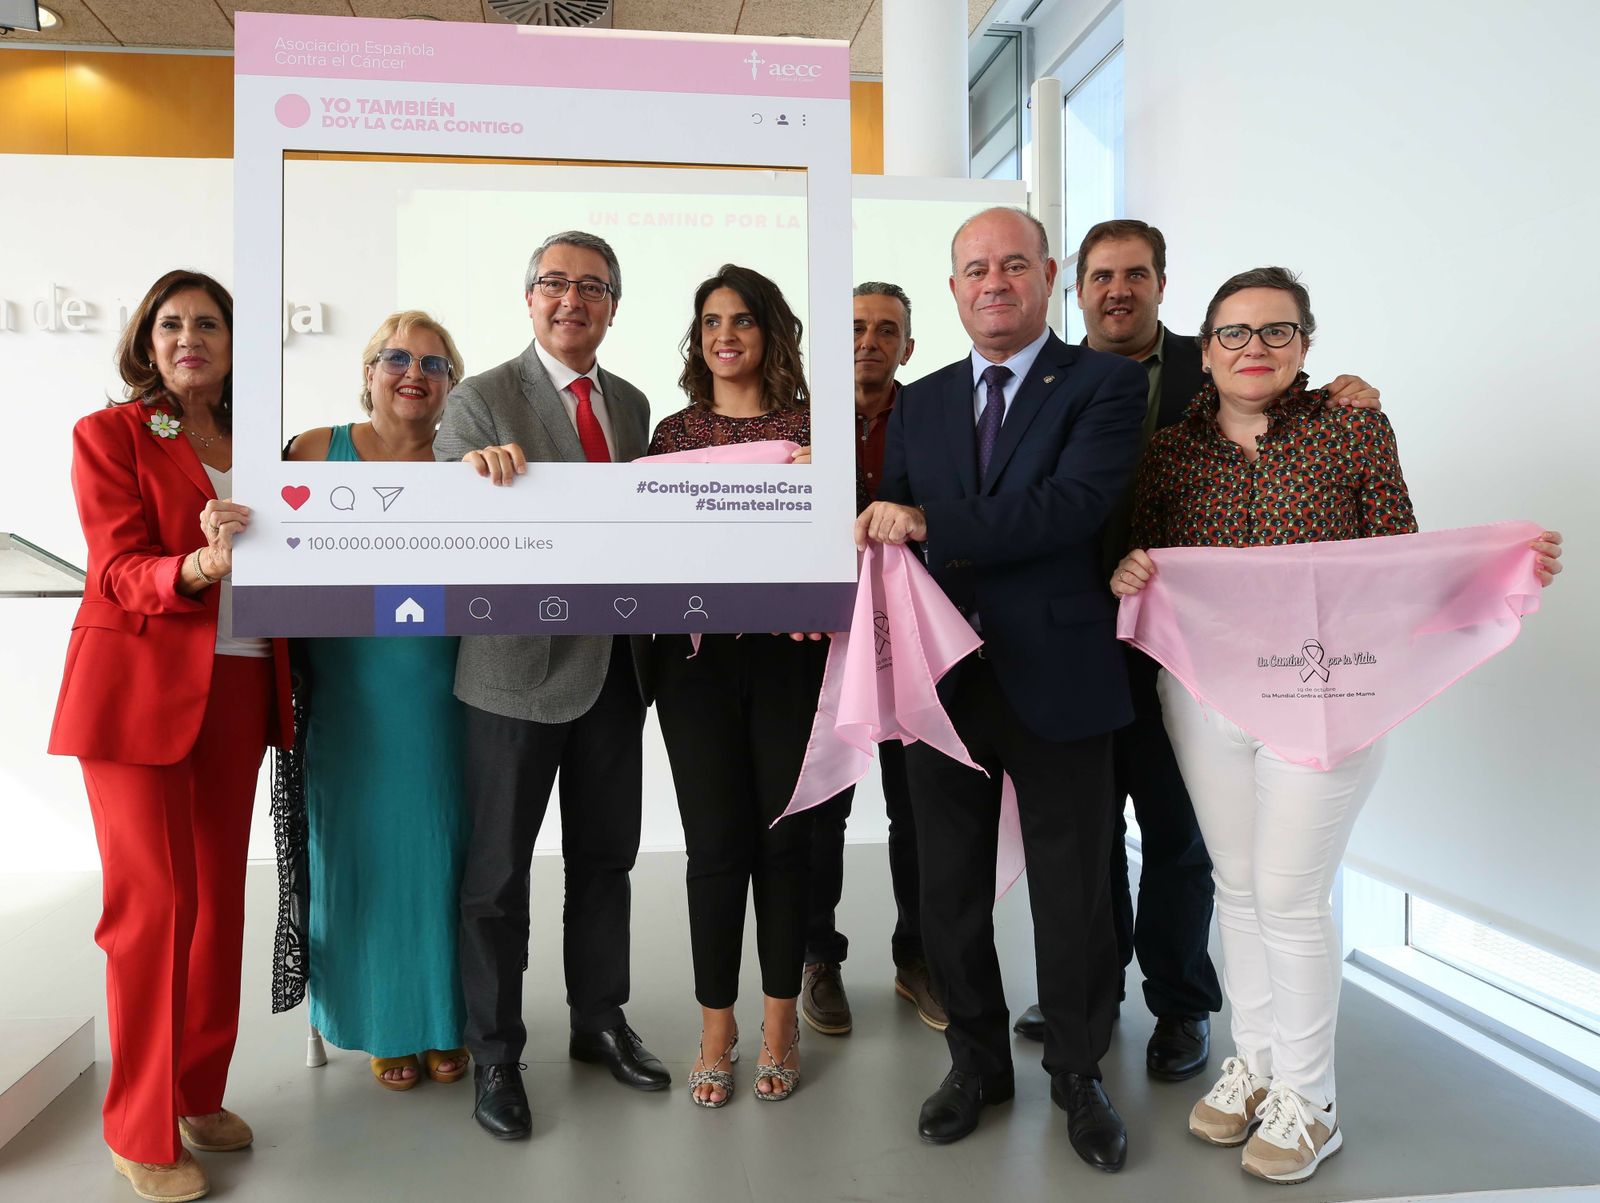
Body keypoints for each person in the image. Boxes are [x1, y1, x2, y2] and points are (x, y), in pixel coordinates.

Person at [1112, 266, 1564, 1184]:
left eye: (1276, 331)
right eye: (1235, 333)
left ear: (1305, 344)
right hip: (1206, 695)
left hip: (1327, 692)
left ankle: (1312, 1102)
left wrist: (1499, 566)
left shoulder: (1352, 429)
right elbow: (1146, 557)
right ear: (1206, 351)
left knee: (1289, 896)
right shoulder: (1169, 454)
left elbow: (1400, 561)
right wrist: (1129, 571)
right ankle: (1258, 1063)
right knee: (1238, 886)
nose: (1255, 348)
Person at [1013, 219, 1383, 1086]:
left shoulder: (1221, 366)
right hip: (1079, 638)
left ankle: (1182, 1001)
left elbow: (1304, 447)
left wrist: (1345, 393)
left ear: (1162, 284)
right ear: (1077, 287)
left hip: (1203, 653)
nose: (1118, 290)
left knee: (1183, 837)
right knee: (1087, 834)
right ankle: (1091, 991)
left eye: (1136, 274)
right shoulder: (1046, 379)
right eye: (1101, 275)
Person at [857, 207, 1145, 1170]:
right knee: (947, 889)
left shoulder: (1103, 384)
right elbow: (893, 532)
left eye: (1013, 264)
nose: (994, 282)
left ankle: (1079, 1070)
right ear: (953, 289)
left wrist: (927, 520)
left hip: (1062, 675)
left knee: (1074, 891)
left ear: (1047, 276)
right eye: (975, 268)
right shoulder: (924, 401)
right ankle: (975, 1062)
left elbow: (1074, 508)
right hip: (944, 681)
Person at [48, 269, 293, 1203]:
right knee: (151, 909)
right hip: (136, 690)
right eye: (171, 323)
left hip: (240, 683)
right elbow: (115, 568)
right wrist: (194, 564)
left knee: (217, 905)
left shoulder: (260, 448)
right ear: (147, 342)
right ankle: (137, 1129)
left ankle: (195, 1092)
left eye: (209, 324)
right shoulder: (110, 433)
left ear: (234, 343)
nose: (190, 337)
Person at [432, 231, 666, 1141]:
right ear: (529, 297)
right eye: (556, 283)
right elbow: (453, 521)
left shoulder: (634, 403)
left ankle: (598, 1019)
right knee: (497, 876)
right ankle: (496, 1053)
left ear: (614, 305)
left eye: (593, 287)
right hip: (513, 673)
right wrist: (469, 480)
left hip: (616, 670)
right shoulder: (480, 398)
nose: (574, 299)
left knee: (606, 860)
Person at [276, 311, 470, 1091]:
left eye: (433, 362)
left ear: (452, 385)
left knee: (442, 847)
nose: (413, 373)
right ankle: (383, 1021)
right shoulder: (311, 451)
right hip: (348, 685)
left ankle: (443, 1019)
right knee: (354, 849)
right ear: (368, 372)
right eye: (396, 358)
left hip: (442, 682)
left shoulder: (466, 462)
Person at [648, 264, 819, 1108]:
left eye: (743, 319)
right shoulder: (673, 433)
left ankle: (781, 1020)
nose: (725, 335)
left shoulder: (813, 430)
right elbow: (646, 545)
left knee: (785, 841)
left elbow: (853, 544)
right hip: (696, 664)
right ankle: (717, 1026)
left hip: (793, 657)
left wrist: (822, 486)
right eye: (711, 320)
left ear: (770, 331)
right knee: (715, 846)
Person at [801, 281, 946, 1037]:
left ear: (908, 347)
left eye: (887, 329)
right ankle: (817, 957)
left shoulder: (938, 417)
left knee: (916, 809)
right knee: (822, 804)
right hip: (819, 645)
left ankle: (917, 957)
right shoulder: (796, 423)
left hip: (910, 642)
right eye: (856, 326)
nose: (870, 341)